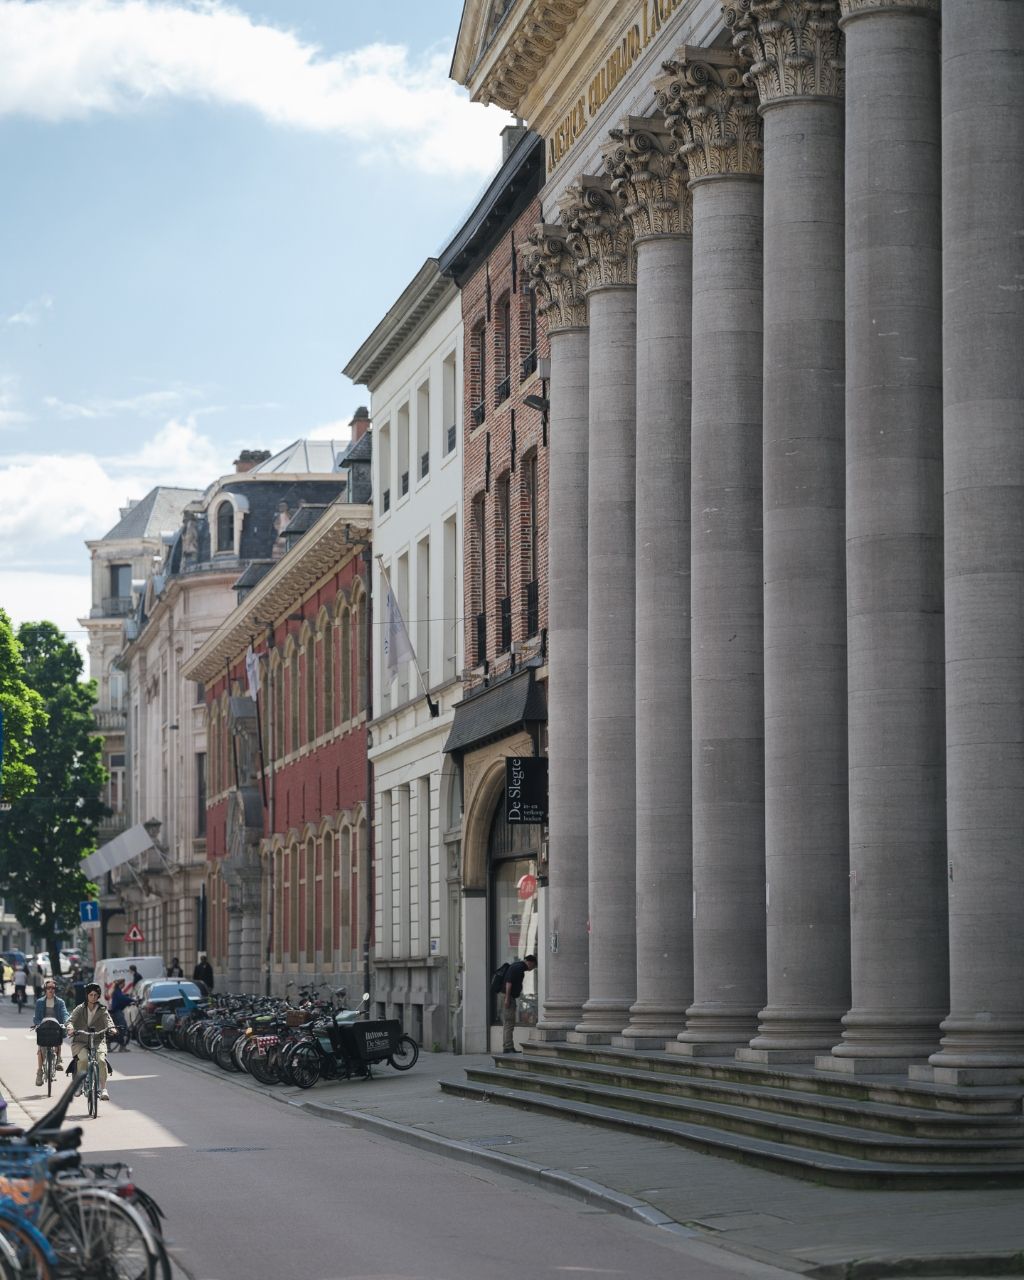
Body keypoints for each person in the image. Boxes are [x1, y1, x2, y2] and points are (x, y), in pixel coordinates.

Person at [67, 982, 116, 1101]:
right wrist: (70, 1028)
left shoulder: (102, 1009)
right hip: (81, 1041)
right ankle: (79, 1085)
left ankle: (104, 1089)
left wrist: (112, 1028)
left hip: (98, 1040)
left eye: (95, 995)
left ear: (98, 996)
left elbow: (108, 1021)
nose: (93, 997)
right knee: (83, 1059)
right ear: (87, 996)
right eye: (91, 995)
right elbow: (70, 1020)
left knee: (101, 1060)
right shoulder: (80, 1008)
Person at [32, 978, 69, 1086]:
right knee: (41, 1050)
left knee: (58, 1038)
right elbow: (37, 1017)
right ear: (45, 989)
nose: (51, 990)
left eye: (53, 988)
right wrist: (38, 1024)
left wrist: (67, 1022)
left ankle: (58, 1060)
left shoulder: (60, 1002)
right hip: (43, 1027)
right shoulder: (40, 1002)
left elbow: (65, 1013)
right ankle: (39, 1072)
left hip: (56, 1026)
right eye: (49, 988)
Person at [501, 953, 537, 1054]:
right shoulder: (519, 968)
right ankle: (508, 1047)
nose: (531, 969)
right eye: (533, 967)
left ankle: (508, 1046)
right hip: (509, 997)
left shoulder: (517, 966)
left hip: (509, 996)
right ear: (530, 963)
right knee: (509, 1023)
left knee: (508, 1023)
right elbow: (509, 982)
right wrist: (507, 998)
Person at [108, 978, 133, 1052]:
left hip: (116, 1011)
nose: (124, 985)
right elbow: (121, 999)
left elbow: (121, 998)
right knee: (122, 1028)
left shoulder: (117, 990)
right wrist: (131, 1000)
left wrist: (127, 998)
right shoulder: (117, 991)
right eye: (124, 983)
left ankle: (119, 1046)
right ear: (121, 984)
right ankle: (121, 1047)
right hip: (117, 1012)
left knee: (119, 1028)